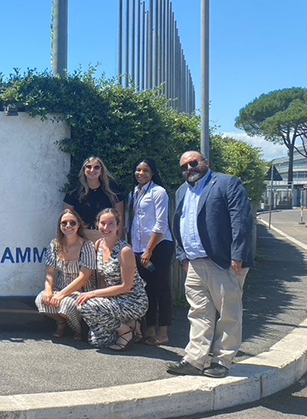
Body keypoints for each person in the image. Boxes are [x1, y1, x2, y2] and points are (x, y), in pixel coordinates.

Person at [167, 151, 254, 378]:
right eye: (184, 166)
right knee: (198, 313)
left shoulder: (227, 183)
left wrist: (238, 255)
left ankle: (222, 360)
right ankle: (194, 360)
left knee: (229, 313)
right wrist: (182, 256)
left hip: (223, 262)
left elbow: (241, 220)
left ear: (206, 163)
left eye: (193, 163)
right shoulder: (182, 191)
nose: (189, 169)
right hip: (194, 263)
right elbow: (178, 225)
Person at [76, 208, 148, 350]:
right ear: (97, 225)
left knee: (84, 305)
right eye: (102, 223)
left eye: (111, 224)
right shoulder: (98, 245)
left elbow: (126, 286)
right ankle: (131, 324)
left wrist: (93, 295)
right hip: (113, 300)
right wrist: (99, 300)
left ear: (118, 226)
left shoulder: (125, 251)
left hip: (132, 300)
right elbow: (102, 279)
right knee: (97, 342)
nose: (106, 227)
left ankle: (125, 331)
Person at [126, 158, 175, 346]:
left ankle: (163, 332)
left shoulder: (158, 192)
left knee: (161, 288)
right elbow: (133, 224)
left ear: (152, 173)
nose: (141, 173)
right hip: (139, 249)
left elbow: (160, 225)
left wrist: (148, 251)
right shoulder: (134, 193)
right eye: (138, 170)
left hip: (159, 248)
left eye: (145, 170)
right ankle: (150, 328)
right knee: (147, 289)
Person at [34, 209, 95, 341]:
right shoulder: (54, 244)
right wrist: (49, 291)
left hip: (80, 290)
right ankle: (62, 322)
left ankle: (79, 329)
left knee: (66, 304)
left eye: (72, 223)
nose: (68, 226)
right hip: (60, 287)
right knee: (41, 300)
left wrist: (62, 295)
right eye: (64, 223)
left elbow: (84, 277)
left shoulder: (87, 245)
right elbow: (50, 272)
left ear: (78, 225)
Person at [64, 156, 126, 242]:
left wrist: (119, 239)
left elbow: (120, 217)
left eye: (96, 167)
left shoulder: (113, 191)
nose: (92, 170)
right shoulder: (74, 192)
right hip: (82, 236)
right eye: (88, 167)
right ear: (84, 170)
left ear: (101, 171)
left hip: (106, 234)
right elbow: (68, 217)